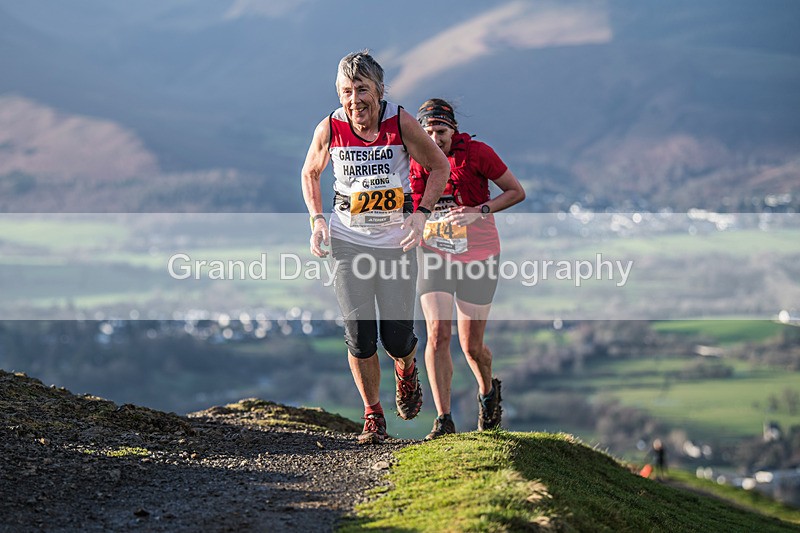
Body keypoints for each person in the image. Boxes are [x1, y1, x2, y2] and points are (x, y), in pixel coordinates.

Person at [301, 51, 449, 444]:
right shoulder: (330, 128)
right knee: (360, 336)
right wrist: (318, 220)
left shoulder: (400, 122)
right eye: (347, 92)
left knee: (397, 339)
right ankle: (373, 416)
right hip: (348, 242)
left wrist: (421, 214)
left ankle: (406, 368)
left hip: (396, 244)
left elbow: (439, 166)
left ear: (380, 91)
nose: (355, 101)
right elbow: (310, 173)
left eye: (362, 90)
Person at [409, 99, 525, 440]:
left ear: (453, 129)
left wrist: (480, 210)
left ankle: (488, 393)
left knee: (471, 346)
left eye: (440, 131)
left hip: (479, 255)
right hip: (435, 252)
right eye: (428, 132)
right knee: (436, 334)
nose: (434, 138)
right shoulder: (415, 157)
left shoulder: (478, 153)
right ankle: (443, 419)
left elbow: (516, 192)